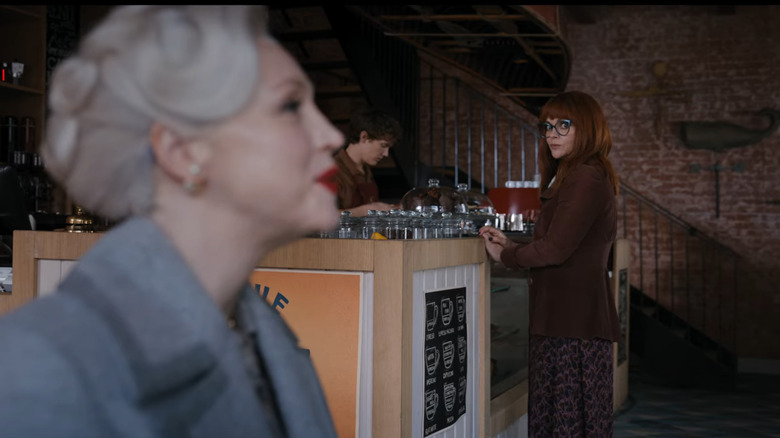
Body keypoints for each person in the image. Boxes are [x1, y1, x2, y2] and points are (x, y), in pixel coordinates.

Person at [0, 6, 345, 438]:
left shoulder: (262, 333)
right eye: (291, 104)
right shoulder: (38, 372)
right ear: (182, 151)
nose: (332, 135)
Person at [479, 90, 621, 437]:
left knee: (566, 423)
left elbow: (556, 250)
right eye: (547, 126)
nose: (551, 134)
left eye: (563, 125)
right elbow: (563, 243)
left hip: (572, 322)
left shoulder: (586, 174)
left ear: (586, 128)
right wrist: (513, 243)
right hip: (566, 317)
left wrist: (507, 256)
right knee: (562, 419)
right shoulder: (575, 173)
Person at [335, 108, 402, 217]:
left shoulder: (366, 171)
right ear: (364, 137)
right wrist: (361, 211)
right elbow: (315, 217)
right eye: (383, 145)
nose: (386, 154)